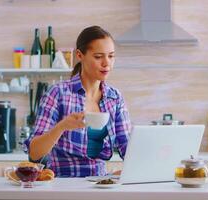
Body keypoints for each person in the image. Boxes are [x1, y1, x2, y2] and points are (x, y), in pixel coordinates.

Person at [24, 26, 131, 177]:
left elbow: (127, 148)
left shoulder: (115, 98)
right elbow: (34, 153)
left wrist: (126, 171)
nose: (107, 63)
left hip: (100, 185)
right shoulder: (58, 94)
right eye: (98, 56)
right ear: (80, 55)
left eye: (111, 56)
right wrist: (62, 126)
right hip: (62, 186)